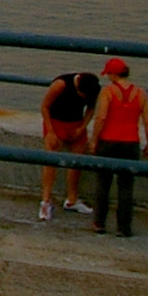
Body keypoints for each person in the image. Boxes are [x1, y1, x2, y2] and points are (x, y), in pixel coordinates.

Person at [87, 58, 148, 238]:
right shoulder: (141, 93)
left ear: (113, 74)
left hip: (108, 142)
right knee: (126, 187)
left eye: (108, 74)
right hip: (130, 143)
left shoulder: (108, 92)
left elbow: (100, 118)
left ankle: (99, 223)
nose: (107, 77)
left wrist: (94, 140)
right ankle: (123, 227)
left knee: (103, 184)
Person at [38, 71, 101, 221]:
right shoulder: (61, 84)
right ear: (78, 86)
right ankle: (46, 201)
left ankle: (72, 199)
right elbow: (45, 107)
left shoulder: (92, 89)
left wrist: (83, 127)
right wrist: (51, 132)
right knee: (50, 161)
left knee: (76, 161)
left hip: (76, 124)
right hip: (55, 122)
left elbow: (91, 109)